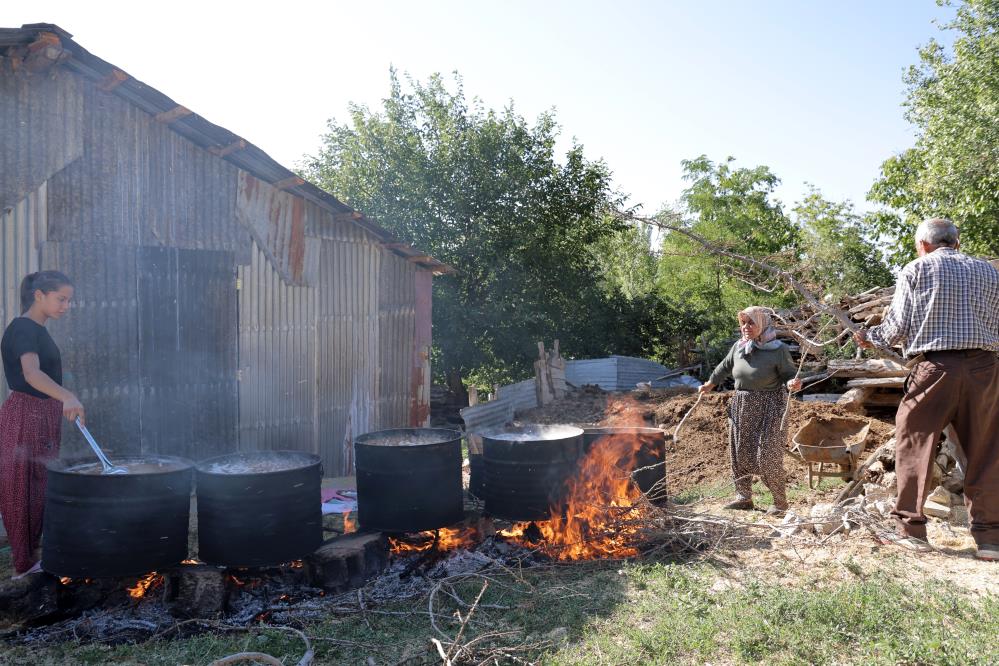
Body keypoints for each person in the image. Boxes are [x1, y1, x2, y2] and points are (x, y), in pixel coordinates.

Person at [854, 218, 999, 560]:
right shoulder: (991, 272)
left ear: (923, 245)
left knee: (914, 440)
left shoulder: (916, 270)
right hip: (985, 368)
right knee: (986, 449)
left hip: (935, 367)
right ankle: (991, 540)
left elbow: (896, 328)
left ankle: (911, 529)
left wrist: (868, 337)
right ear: (957, 244)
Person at [0, 271, 85, 578]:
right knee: (21, 486)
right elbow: (31, 375)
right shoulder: (23, 328)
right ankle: (23, 565)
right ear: (39, 295)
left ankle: (31, 558)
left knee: (38, 486)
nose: (66, 306)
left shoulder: (37, 329)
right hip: (26, 414)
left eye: (69, 300)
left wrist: (61, 398)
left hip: (42, 414)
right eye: (61, 299)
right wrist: (68, 397)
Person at [699, 306, 802, 515]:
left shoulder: (777, 349)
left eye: (751, 322)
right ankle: (744, 497)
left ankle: (780, 503)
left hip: (771, 406)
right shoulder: (739, 347)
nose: (746, 327)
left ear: (763, 324)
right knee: (739, 452)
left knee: (768, 455)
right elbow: (724, 366)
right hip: (742, 404)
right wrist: (710, 384)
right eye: (743, 323)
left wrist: (793, 383)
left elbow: (789, 374)